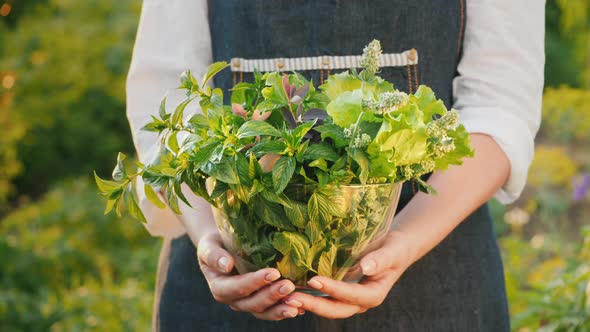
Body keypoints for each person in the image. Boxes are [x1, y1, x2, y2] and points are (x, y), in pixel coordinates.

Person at [126, 0, 545, 331]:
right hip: (230, 279)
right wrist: (212, 242)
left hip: (432, 282)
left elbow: (500, 106)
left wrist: (402, 241)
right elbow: (166, 100)